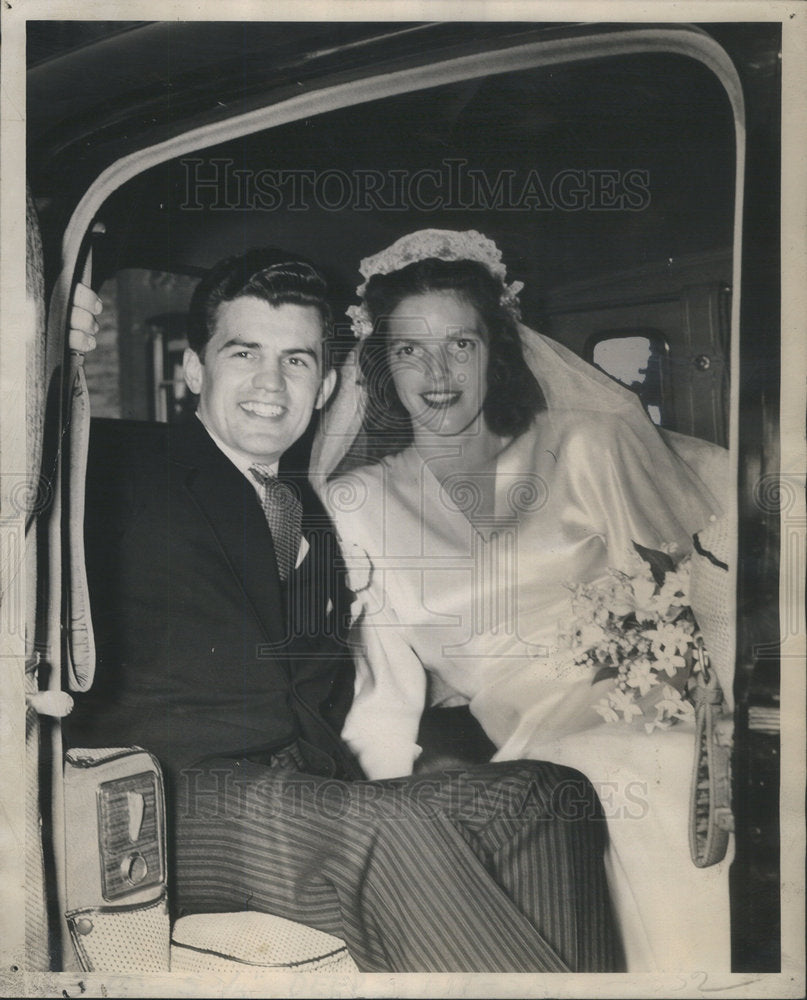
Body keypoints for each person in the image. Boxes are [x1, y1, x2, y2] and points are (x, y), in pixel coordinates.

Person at [64, 249, 622, 974]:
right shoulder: (116, 464)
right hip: (168, 801)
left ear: (325, 385)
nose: (270, 384)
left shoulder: (311, 513)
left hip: (302, 790)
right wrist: (34, 354)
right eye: (244, 353)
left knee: (545, 793)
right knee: (394, 830)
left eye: (295, 361)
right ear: (196, 370)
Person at [315, 229, 733, 972]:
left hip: (654, 704)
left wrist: (691, 698)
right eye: (410, 349)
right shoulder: (360, 501)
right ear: (380, 363)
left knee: (658, 762)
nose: (438, 373)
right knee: (612, 771)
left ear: (495, 350)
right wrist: (386, 817)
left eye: (460, 345)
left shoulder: (587, 447)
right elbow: (385, 692)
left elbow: (686, 603)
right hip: (533, 737)